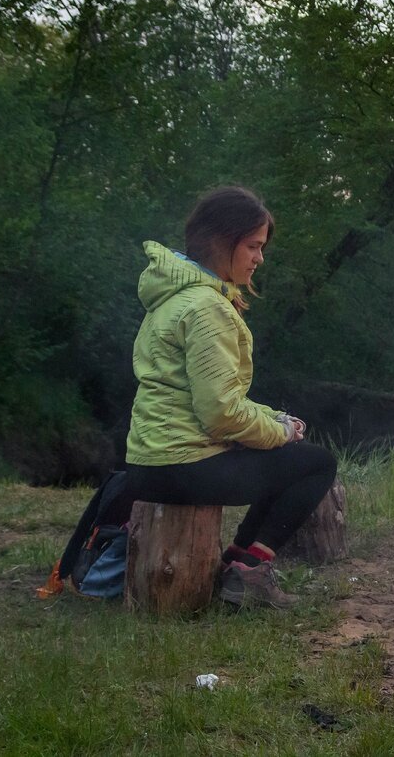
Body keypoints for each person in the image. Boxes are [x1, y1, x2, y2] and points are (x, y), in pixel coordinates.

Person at [125, 185, 337, 608]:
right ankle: (246, 571)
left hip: (149, 462)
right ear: (223, 242)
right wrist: (280, 433)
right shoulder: (208, 309)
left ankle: (239, 566)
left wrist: (277, 420)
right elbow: (221, 415)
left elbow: (214, 399)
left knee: (285, 454)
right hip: (184, 466)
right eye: (253, 246)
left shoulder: (172, 299)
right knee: (315, 463)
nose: (260, 258)